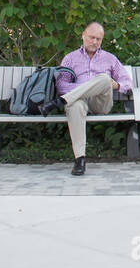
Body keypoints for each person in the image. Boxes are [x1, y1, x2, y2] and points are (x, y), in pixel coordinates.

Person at [55, 22, 133, 177]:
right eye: (92, 37)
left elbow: (127, 82)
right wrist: (85, 88)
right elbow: (61, 85)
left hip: (101, 102)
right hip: (80, 101)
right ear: (83, 35)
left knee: (104, 79)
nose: (95, 42)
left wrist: (115, 85)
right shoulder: (70, 58)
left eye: (99, 39)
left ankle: (61, 102)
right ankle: (80, 160)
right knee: (75, 106)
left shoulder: (110, 59)